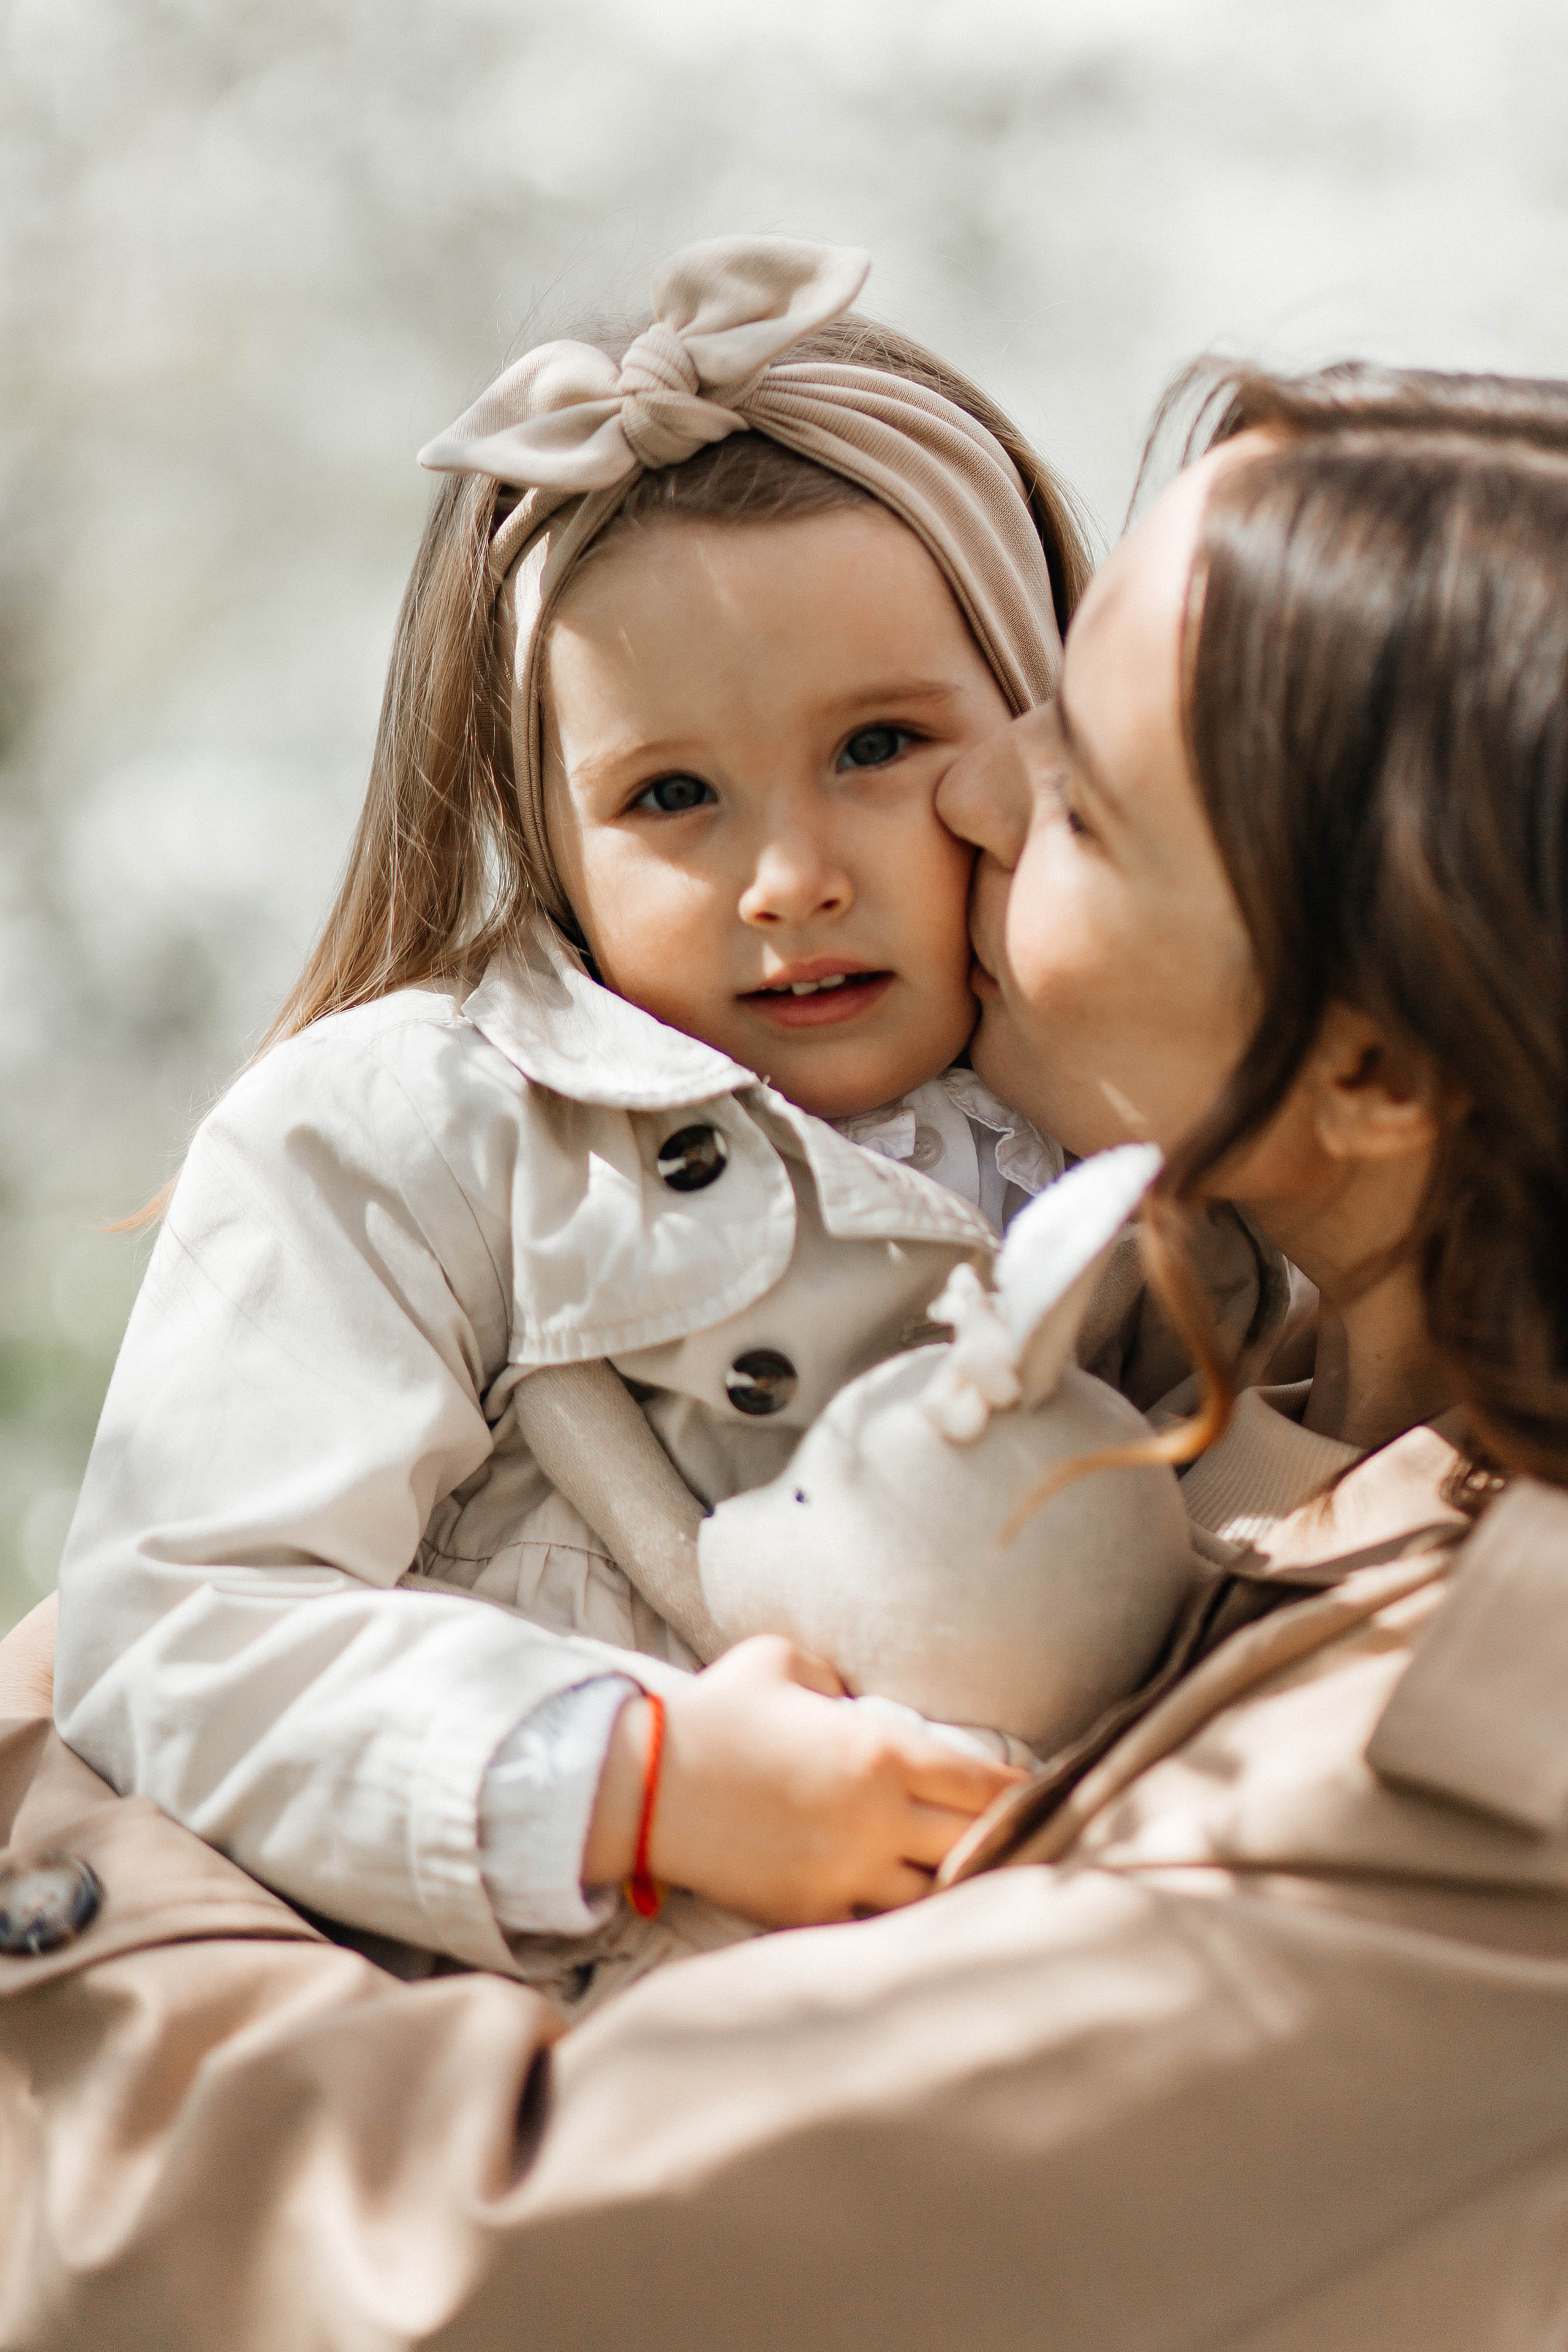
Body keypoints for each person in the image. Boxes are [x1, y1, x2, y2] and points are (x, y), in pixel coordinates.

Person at [11, 355, 1568, 2348]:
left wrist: (46, 1815)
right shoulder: (1284, 1419)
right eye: (672, 789)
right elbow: (206, 1606)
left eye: (1076, 791)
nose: (972, 799)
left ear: (1361, 1065)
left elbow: (474, 2263)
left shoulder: (1429, 1806)